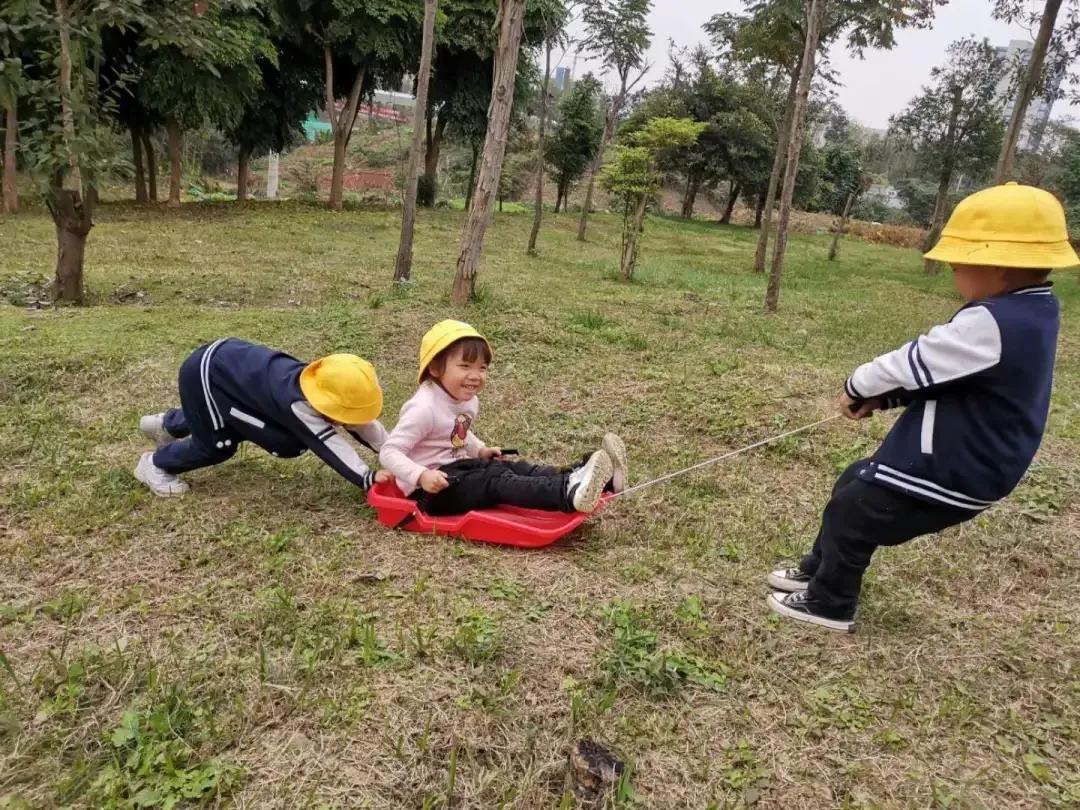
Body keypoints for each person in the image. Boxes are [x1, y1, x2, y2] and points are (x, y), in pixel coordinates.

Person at [767, 182, 1078, 632]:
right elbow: (961, 374)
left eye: (958, 260)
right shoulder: (1035, 311)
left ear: (996, 263)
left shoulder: (992, 321)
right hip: (977, 460)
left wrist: (859, 385)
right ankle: (820, 568)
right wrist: (886, 399)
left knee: (855, 510)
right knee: (854, 481)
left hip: (958, 465)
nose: (951, 268)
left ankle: (829, 603)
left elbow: (916, 360)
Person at [379, 320, 627, 516]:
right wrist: (421, 475)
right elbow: (389, 451)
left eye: (482, 368)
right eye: (465, 366)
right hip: (429, 491)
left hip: (457, 469)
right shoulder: (423, 408)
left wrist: (480, 450)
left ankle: (590, 476)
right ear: (435, 368)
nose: (476, 375)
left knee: (510, 467)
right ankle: (567, 492)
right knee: (494, 480)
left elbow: (456, 431)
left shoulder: (466, 400)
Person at [134, 338, 391, 497]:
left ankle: (167, 424)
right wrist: (366, 477)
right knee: (218, 444)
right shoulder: (298, 405)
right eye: (341, 415)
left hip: (229, 371)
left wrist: (394, 451)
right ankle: (156, 464)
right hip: (206, 374)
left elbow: (361, 423)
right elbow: (327, 443)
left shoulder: (321, 382)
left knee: (229, 416)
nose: (343, 421)